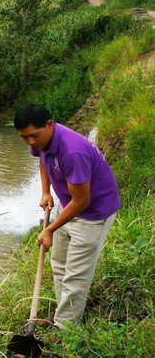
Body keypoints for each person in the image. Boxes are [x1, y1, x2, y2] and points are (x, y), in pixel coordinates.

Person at [15, 104, 121, 329]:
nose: (31, 142)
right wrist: (46, 191)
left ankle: (66, 329)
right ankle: (63, 315)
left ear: (49, 125)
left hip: (94, 212)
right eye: (25, 138)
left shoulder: (72, 151)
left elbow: (83, 201)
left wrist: (50, 229)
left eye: (34, 136)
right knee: (59, 263)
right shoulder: (42, 140)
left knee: (76, 274)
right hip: (70, 205)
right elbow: (43, 159)